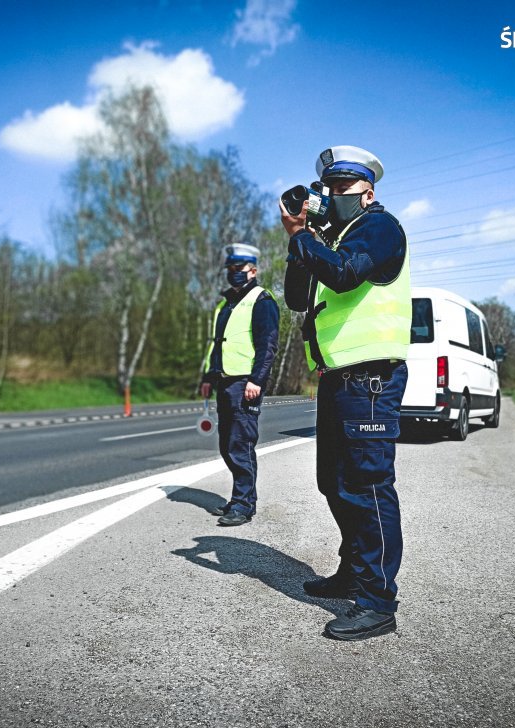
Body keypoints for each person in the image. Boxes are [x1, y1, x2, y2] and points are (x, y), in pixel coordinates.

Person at [280, 145, 411, 640]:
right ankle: (354, 571)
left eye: (342, 189)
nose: (332, 196)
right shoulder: (330, 240)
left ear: (367, 192)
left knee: (368, 486)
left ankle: (378, 602)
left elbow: (343, 273)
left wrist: (304, 239)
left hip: (371, 378)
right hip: (338, 377)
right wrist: (303, 240)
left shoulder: (380, 228)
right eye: (327, 189)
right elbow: (298, 296)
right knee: (333, 482)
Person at [200, 243, 279, 527]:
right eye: (230, 269)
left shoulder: (262, 300)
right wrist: (209, 376)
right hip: (224, 381)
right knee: (227, 445)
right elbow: (217, 346)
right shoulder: (225, 305)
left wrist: (257, 380)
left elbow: (267, 345)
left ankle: (245, 505)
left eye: (239, 269)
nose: (233, 273)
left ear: (253, 270)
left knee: (241, 444)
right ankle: (237, 498)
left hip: (245, 383)